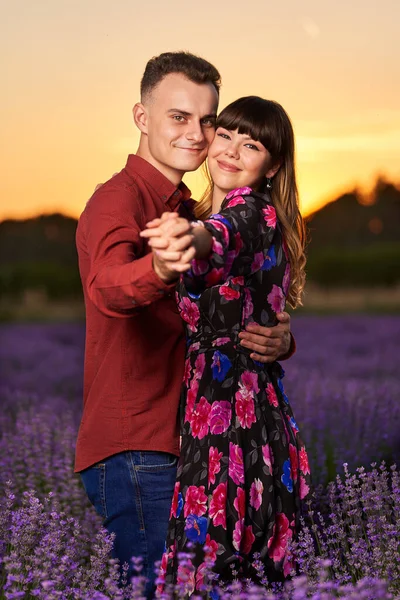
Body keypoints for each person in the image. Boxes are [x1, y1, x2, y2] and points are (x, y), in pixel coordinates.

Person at [75, 53, 295, 598]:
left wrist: (279, 339)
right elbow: (107, 285)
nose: (196, 135)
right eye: (178, 117)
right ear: (141, 116)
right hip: (138, 447)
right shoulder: (117, 201)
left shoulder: (193, 207)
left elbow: (232, 267)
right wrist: (157, 267)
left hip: (199, 440)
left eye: (207, 121)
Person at [141, 96, 310, 594]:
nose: (233, 150)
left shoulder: (253, 213)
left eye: (252, 144)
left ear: (272, 164)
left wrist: (187, 239)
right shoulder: (193, 207)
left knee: (219, 567)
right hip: (208, 411)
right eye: (228, 134)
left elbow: (220, 237)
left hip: (237, 423)